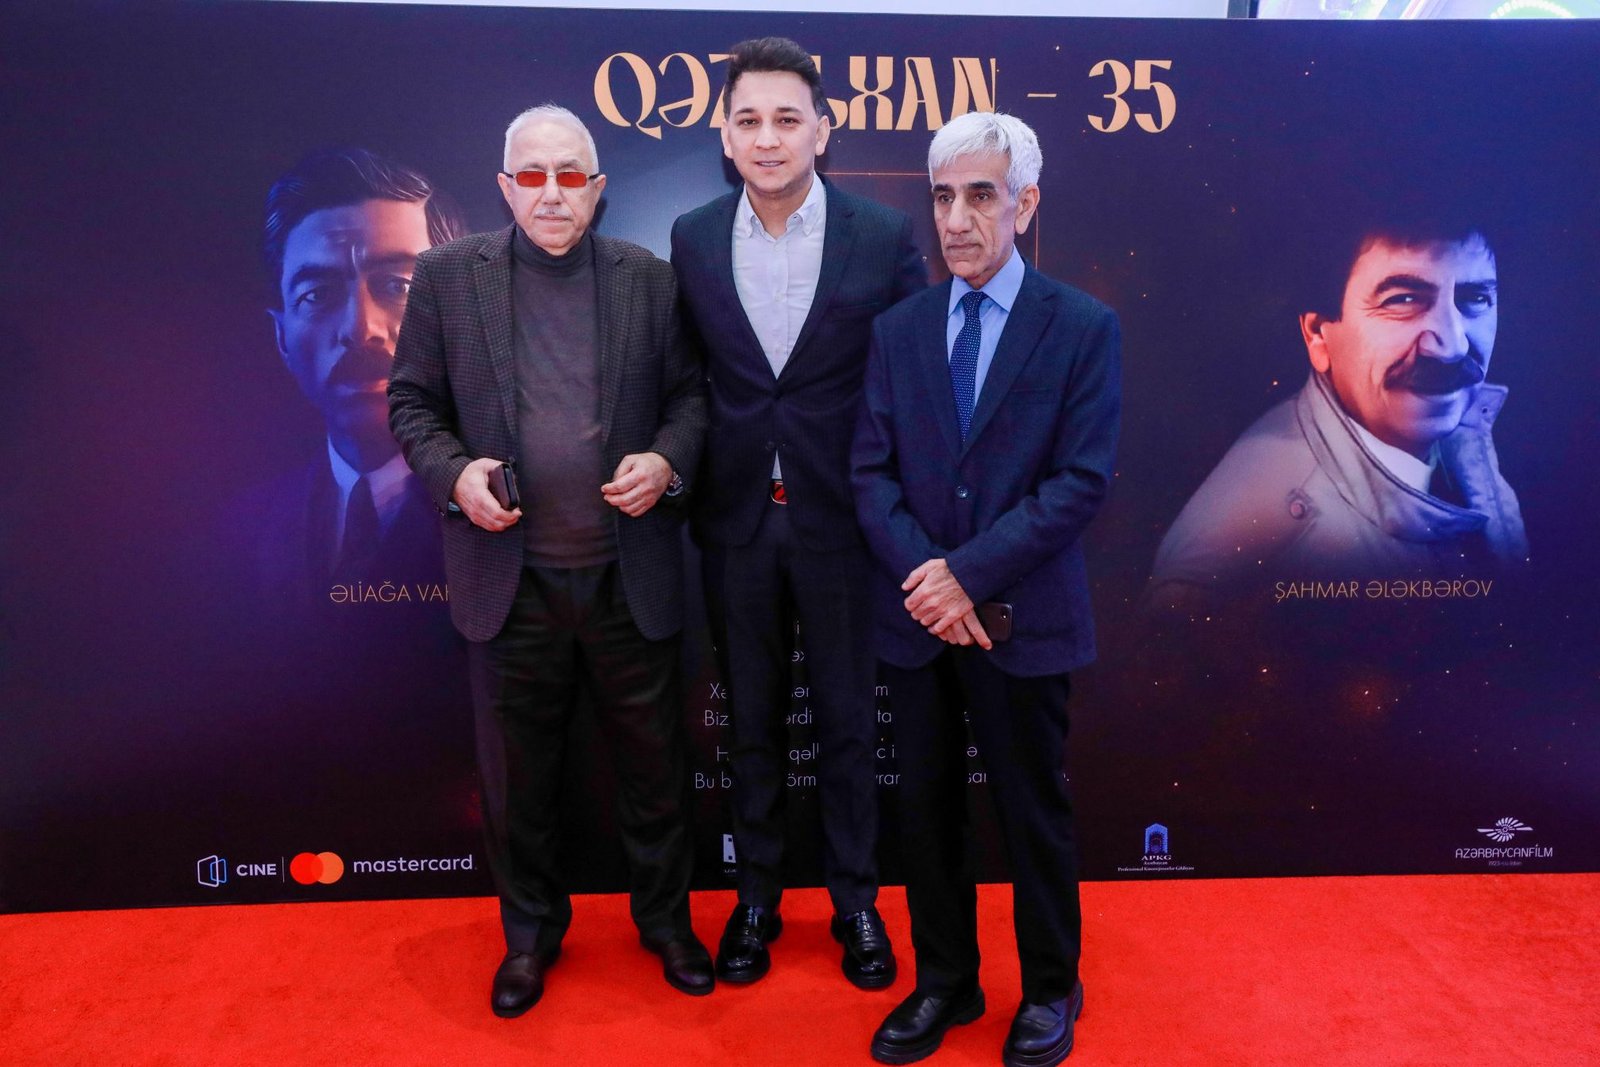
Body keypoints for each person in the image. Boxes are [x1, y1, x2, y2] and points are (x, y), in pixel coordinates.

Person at [388, 105, 711, 1017]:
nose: (553, 192)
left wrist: (668, 461)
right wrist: (455, 474)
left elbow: (691, 401)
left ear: (598, 187)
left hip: (628, 575)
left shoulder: (650, 279)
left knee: (655, 772)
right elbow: (410, 405)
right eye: (532, 174)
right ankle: (529, 937)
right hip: (508, 579)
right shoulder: (448, 277)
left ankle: (667, 924)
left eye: (571, 174)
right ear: (505, 187)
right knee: (517, 781)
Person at [852, 111, 1120, 1067]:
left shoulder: (1082, 326)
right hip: (917, 625)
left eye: (980, 195)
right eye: (942, 196)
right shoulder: (898, 330)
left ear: (1025, 203)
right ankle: (945, 981)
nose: (957, 218)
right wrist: (933, 583)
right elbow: (870, 474)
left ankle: (1050, 986)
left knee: (1030, 812)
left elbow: (1080, 482)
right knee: (924, 813)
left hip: (1025, 621)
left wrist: (963, 573)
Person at [670, 36, 925, 989]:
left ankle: (857, 903)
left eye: (787, 118)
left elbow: (909, 386)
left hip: (844, 521)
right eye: (749, 120)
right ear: (724, 135)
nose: (768, 138)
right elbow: (691, 377)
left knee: (851, 722)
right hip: (736, 520)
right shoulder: (693, 237)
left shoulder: (882, 234)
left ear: (823, 129)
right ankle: (757, 900)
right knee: (751, 724)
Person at [1149, 214, 1527, 599]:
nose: (1452, 346)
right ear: (1317, 335)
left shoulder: (1458, 443)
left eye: (1474, 299)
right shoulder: (1250, 559)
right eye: (1403, 300)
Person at [255, 147, 467, 603]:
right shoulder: (240, 539)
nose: (359, 329)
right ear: (282, 337)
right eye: (317, 294)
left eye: (398, 286)